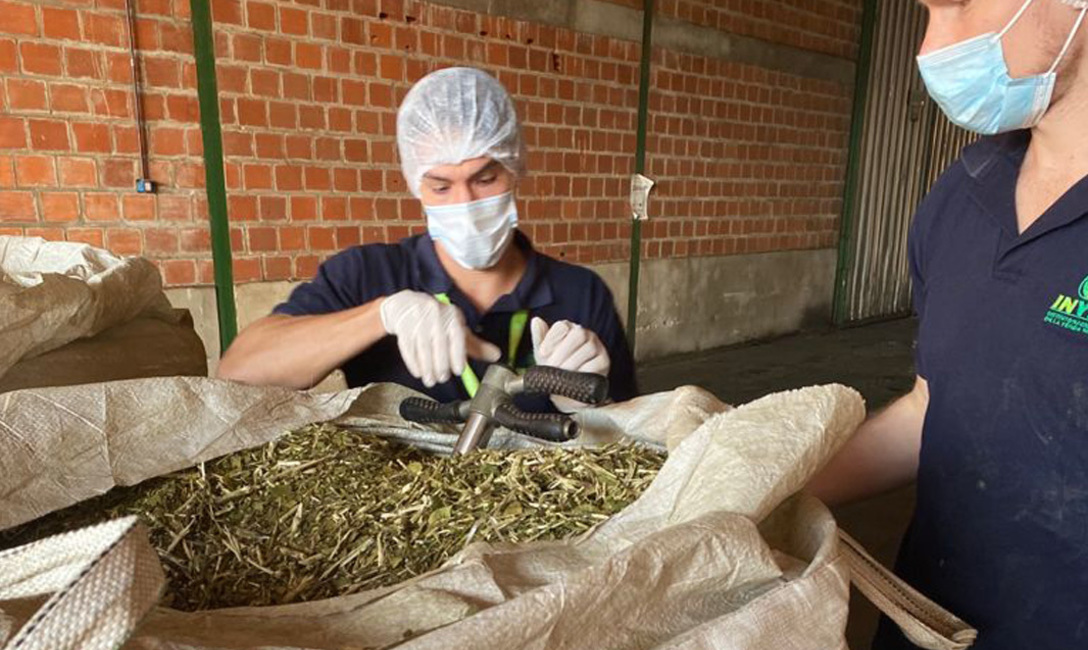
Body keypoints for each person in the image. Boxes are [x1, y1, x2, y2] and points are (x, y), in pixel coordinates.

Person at [808, 1, 1088, 648]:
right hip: (927, 626)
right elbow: (933, 406)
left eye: (958, 4)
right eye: (927, 13)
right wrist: (772, 486)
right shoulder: (961, 195)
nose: (933, 45)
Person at [219, 67, 637, 412]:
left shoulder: (582, 294)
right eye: (441, 187)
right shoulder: (367, 274)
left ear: (515, 168)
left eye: (485, 178)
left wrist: (586, 407)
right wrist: (382, 315)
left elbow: (631, 438)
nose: (465, 203)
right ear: (416, 185)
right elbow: (239, 371)